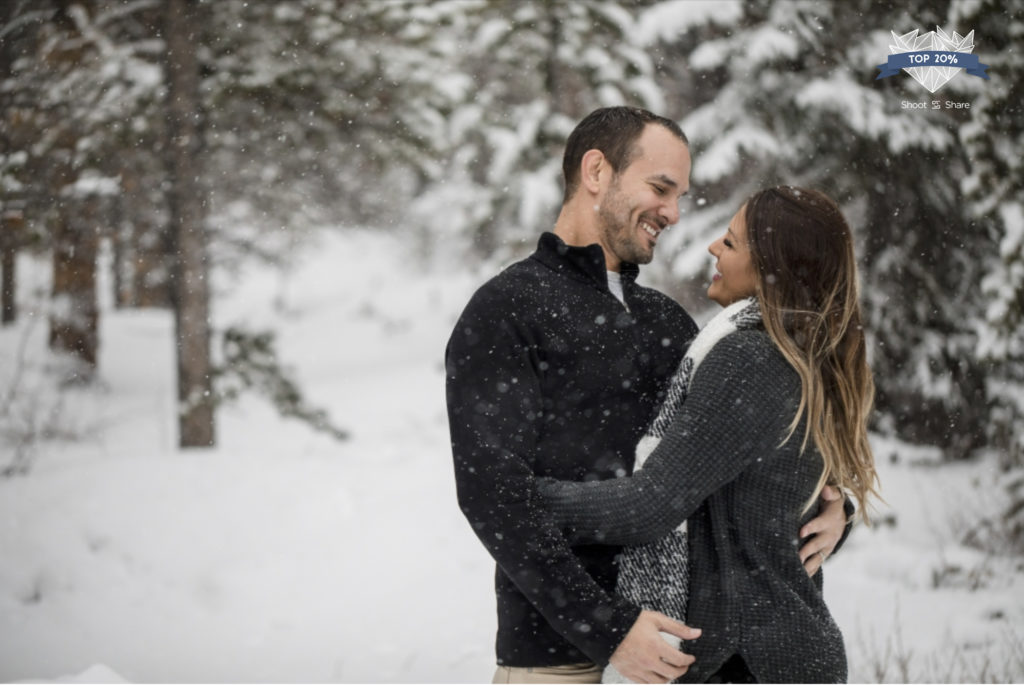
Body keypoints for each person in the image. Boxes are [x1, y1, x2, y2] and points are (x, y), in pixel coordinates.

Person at [445, 108, 850, 684]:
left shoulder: (668, 323)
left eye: (680, 194)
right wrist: (607, 628)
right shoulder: (507, 310)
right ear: (596, 172)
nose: (674, 213)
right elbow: (491, 498)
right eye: (661, 188)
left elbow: (732, 470)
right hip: (561, 655)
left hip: (675, 654)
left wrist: (833, 507)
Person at [537, 186, 881, 683]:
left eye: (732, 242)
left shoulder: (753, 358)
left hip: (751, 661)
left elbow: (652, 503)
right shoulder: (796, 353)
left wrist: (522, 500)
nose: (713, 248)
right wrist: (839, 511)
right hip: (774, 653)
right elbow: (782, 502)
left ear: (773, 270)